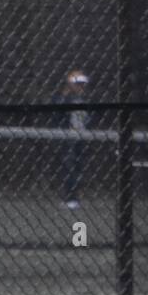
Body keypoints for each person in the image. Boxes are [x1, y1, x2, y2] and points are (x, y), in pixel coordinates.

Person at [54, 69, 91, 209]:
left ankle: (76, 196)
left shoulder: (84, 99)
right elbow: (58, 114)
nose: (80, 86)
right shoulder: (64, 98)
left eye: (82, 84)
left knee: (79, 166)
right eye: (77, 83)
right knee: (69, 166)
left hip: (81, 137)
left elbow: (88, 117)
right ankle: (70, 197)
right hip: (69, 137)